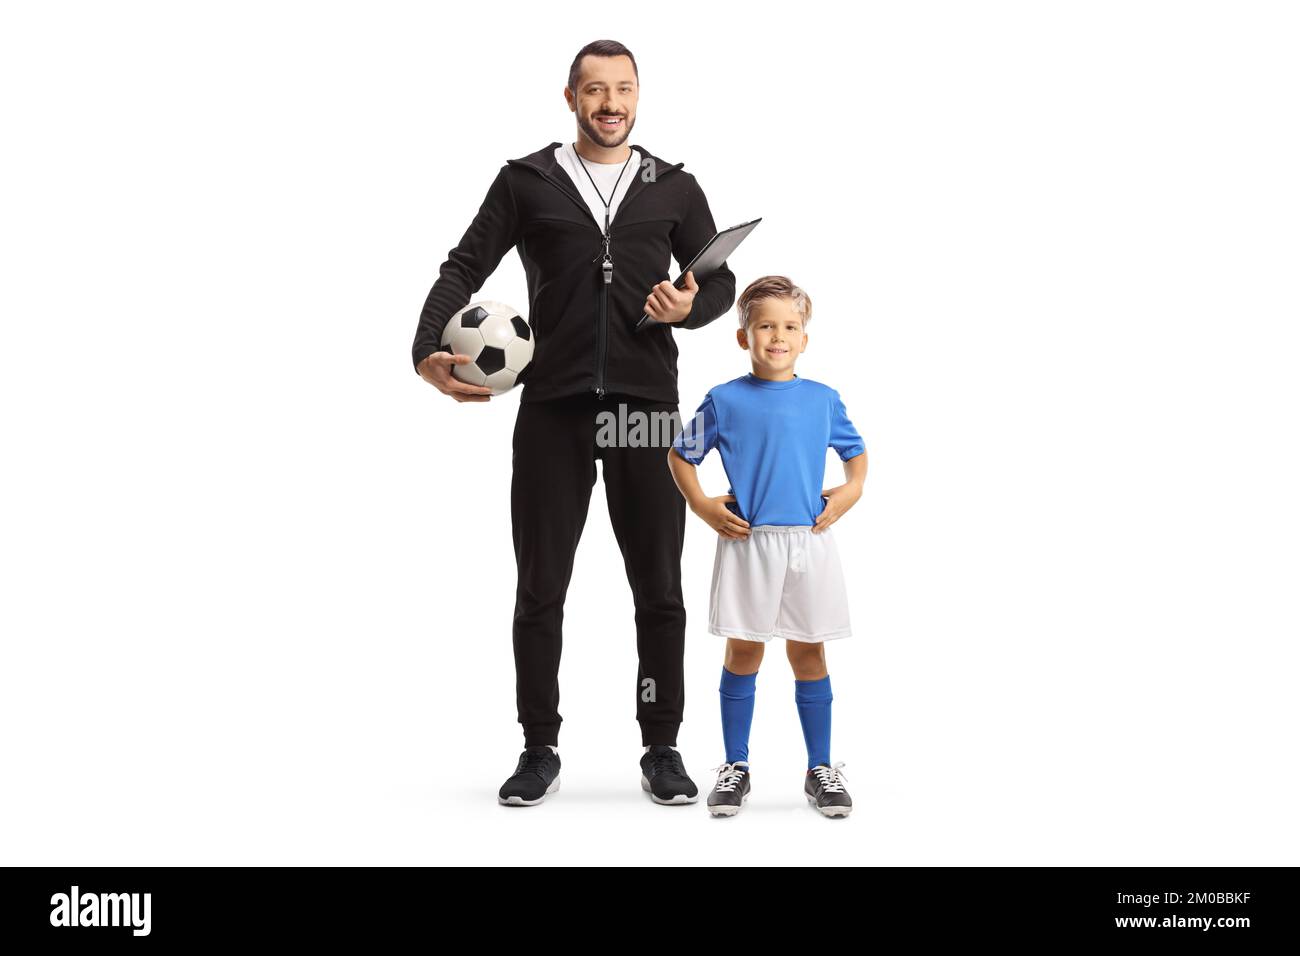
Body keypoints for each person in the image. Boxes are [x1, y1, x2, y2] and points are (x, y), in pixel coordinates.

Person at [411, 40, 737, 806]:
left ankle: (662, 744)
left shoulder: (673, 187)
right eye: (595, 90)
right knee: (541, 587)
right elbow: (462, 266)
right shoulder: (527, 181)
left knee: (658, 587)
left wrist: (691, 309)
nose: (610, 103)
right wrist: (426, 347)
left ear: (638, 96)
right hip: (555, 408)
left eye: (623, 88)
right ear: (570, 98)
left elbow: (718, 283)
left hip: (644, 412)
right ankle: (539, 746)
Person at [666, 275, 867, 817]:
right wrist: (705, 506)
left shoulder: (824, 400)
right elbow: (681, 455)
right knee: (744, 651)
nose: (777, 336)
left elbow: (856, 457)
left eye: (790, 327)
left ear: (805, 339)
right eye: (765, 326)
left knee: (808, 652)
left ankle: (820, 768)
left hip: (809, 542)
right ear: (743, 337)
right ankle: (736, 766)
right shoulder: (725, 399)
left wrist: (849, 492)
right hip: (748, 542)